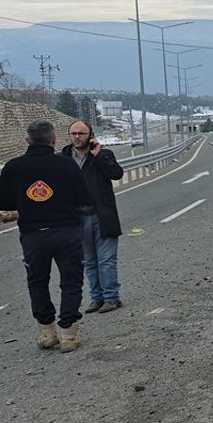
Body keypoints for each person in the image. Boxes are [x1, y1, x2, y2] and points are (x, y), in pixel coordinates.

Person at [0, 120, 93, 352]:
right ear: (53, 140)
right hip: (66, 232)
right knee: (71, 281)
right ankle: (68, 334)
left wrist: (25, 200)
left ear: (27, 141)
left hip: (32, 234)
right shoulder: (67, 165)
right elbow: (86, 199)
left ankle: (46, 333)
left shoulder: (13, 167)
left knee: (37, 281)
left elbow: (3, 203)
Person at [62, 120, 125, 313]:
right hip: (77, 218)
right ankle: (96, 298)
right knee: (89, 261)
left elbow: (116, 174)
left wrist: (98, 156)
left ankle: (111, 298)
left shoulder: (104, 155)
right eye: (74, 133)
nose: (77, 137)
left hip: (102, 215)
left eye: (81, 133)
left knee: (106, 259)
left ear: (90, 136)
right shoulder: (63, 159)